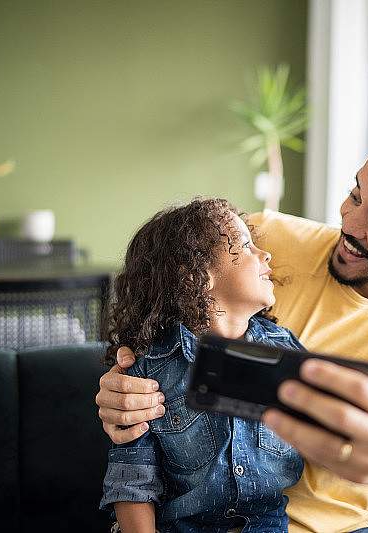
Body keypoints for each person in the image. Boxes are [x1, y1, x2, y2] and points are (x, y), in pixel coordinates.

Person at [96, 118, 368, 533]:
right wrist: (123, 390)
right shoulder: (270, 235)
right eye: (355, 195)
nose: (349, 223)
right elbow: (156, 321)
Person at [99, 198, 306, 532]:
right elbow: (132, 481)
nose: (265, 255)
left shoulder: (288, 353)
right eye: (245, 246)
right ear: (198, 278)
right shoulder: (149, 369)